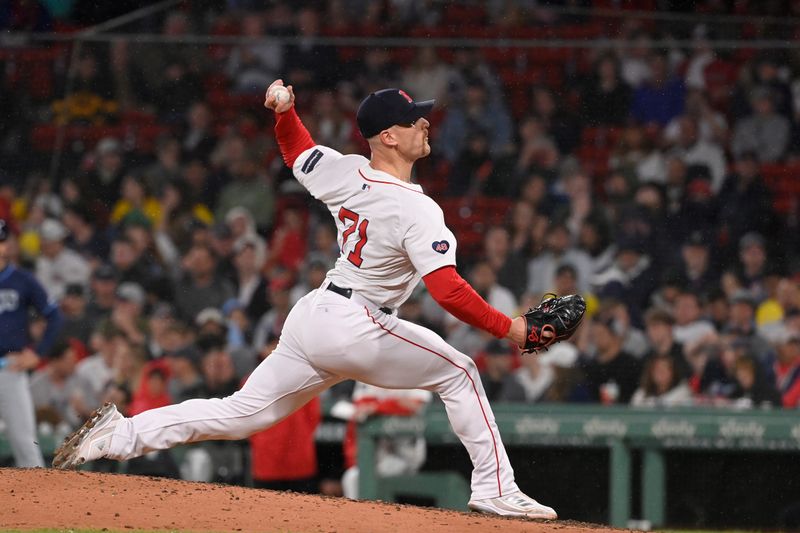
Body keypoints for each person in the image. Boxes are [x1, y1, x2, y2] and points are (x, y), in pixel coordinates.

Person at [53, 80, 585, 520]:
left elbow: (296, 150)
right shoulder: (416, 210)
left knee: (241, 413)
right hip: (355, 322)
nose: (425, 123)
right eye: (413, 118)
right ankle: (495, 488)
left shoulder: (345, 169)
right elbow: (446, 290)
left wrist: (285, 110)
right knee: (461, 370)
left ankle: (119, 435)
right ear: (388, 138)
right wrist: (513, 330)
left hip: (314, 315)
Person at [0, 219, 63, 467]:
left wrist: (38, 353)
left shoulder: (21, 280)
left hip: (9, 369)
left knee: (25, 444)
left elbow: (54, 315)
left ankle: (40, 505)